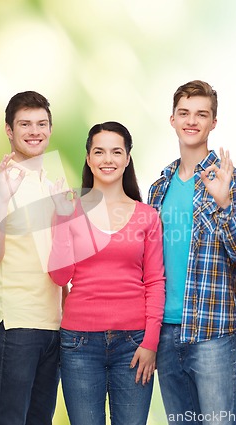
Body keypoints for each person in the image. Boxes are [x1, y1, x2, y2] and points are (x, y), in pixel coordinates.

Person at [147, 80, 236, 424]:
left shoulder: (234, 181)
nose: (191, 121)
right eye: (184, 113)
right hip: (165, 331)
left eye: (201, 114)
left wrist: (223, 203)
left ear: (213, 123)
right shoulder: (158, 187)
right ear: (172, 119)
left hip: (214, 330)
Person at [47, 121, 166, 425]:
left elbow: (155, 281)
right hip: (79, 344)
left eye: (116, 152)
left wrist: (151, 342)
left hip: (135, 343)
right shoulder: (70, 211)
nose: (107, 160)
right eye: (99, 152)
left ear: (127, 158)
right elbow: (60, 277)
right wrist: (60, 222)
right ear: (88, 158)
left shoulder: (147, 216)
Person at [0, 91, 66, 425]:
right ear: (9, 130)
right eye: (24, 124)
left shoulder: (52, 184)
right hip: (12, 326)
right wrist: (1, 203)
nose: (34, 131)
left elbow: (61, 265)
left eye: (41, 123)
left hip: (52, 327)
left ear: (50, 129)